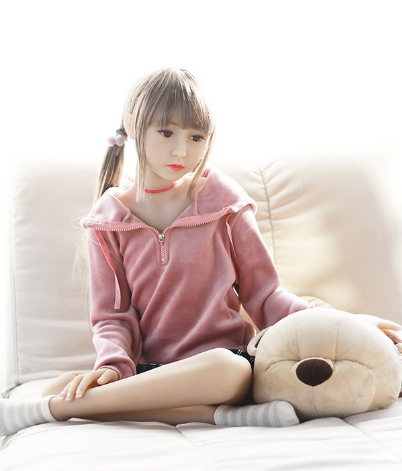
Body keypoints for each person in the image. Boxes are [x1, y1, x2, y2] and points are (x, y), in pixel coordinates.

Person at [1, 67, 401, 437]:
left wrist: (344, 324)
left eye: (196, 137)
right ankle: (214, 415)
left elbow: (265, 297)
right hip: (149, 373)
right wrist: (112, 367)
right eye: (167, 133)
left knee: (228, 370)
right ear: (135, 128)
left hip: (225, 364)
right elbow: (112, 317)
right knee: (56, 385)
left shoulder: (224, 204)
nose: (181, 151)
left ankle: (57, 410)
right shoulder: (107, 222)